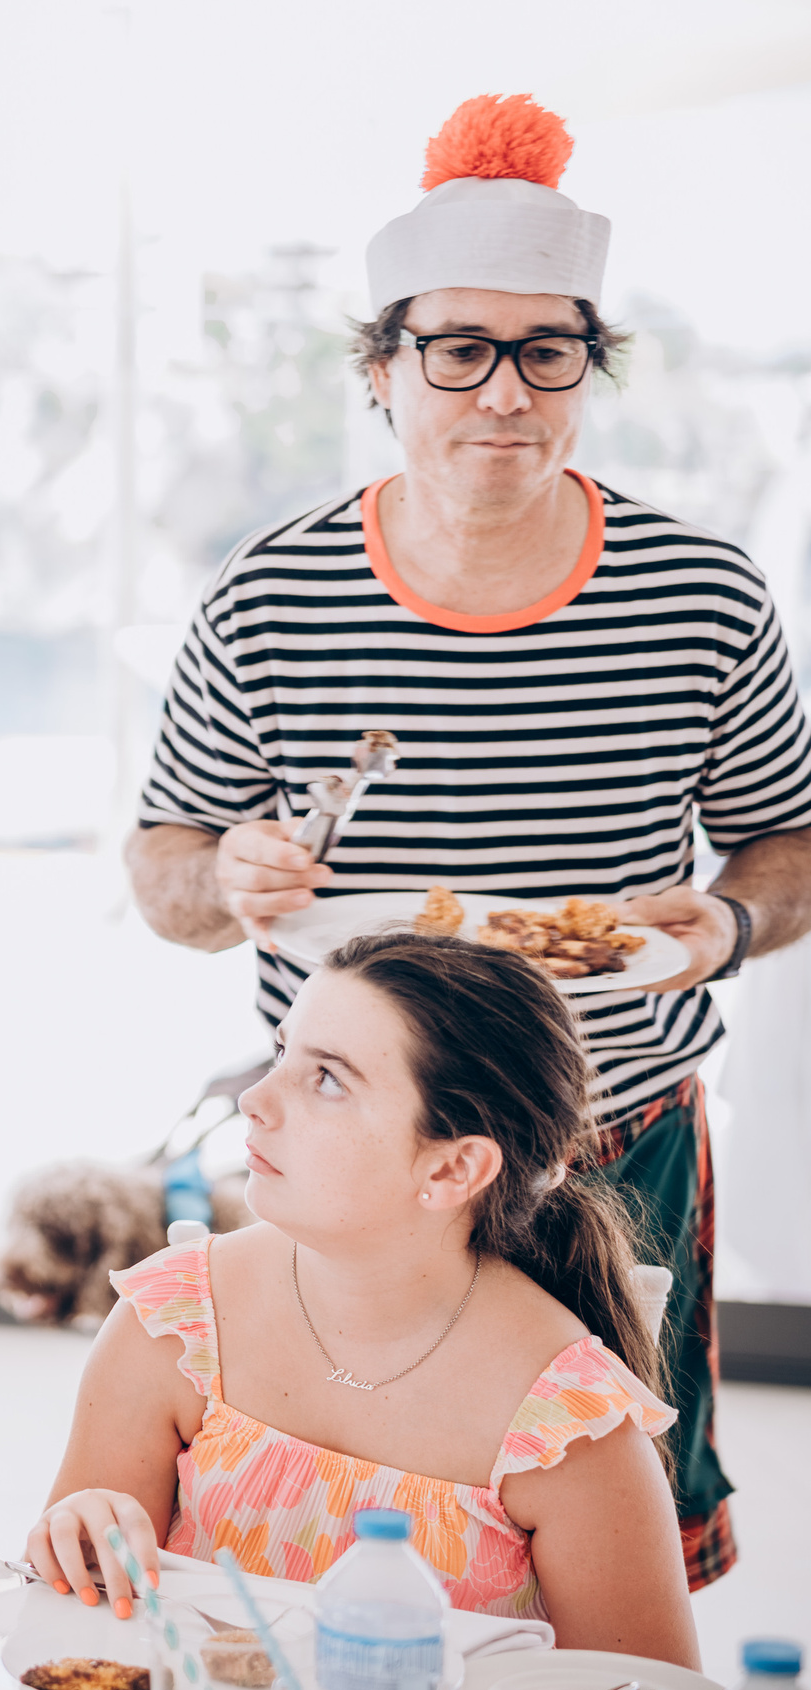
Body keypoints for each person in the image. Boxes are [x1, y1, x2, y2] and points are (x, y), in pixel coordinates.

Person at [125, 94, 811, 1590]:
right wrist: (227, 878)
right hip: (345, 1146)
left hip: (612, 1138)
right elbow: (165, 867)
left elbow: (786, 843)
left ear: (587, 371)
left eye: (545, 350)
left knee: (624, 1531)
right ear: (385, 371)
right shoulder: (271, 594)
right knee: (331, 1523)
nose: (502, 393)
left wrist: (729, 923)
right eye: (457, 350)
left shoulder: (703, 595)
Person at [31, 933, 695, 1661]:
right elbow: (71, 1622)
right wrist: (78, 1533)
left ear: (452, 1167)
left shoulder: (568, 1426)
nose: (253, 1099)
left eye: (327, 1080)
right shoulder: (175, 1317)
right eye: (283, 1051)